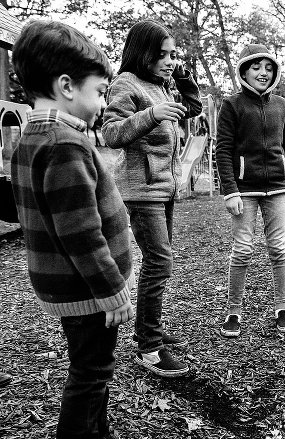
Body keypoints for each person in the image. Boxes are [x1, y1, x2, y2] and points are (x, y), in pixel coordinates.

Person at [10, 20, 151, 439]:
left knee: (95, 366)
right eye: (99, 91)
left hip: (72, 285)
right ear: (66, 87)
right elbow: (79, 229)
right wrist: (112, 289)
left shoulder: (36, 135)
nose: (101, 102)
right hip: (87, 288)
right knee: (91, 371)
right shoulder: (65, 144)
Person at [103, 20, 202, 378]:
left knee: (159, 262)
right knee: (160, 261)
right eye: (162, 55)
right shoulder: (126, 84)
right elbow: (111, 132)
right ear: (142, 51)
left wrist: (185, 77)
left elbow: (192, 109)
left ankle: (150, 331)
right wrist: (151, 115)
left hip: (164, 187)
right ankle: (148, 347)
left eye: (172, 54)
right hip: (141, 190)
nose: (169, 61)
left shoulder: (162, 87)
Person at [216, 43, 285, 338]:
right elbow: (223, 149)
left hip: (277, 189)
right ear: (244, 70)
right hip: (244, 190)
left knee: (278, 248)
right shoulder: (232, 105)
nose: (263, 73)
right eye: (256, 67)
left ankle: (282, 307)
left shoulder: (280, 104)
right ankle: (234, 310)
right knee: (243, 250)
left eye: (268, 68)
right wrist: (230, 191)